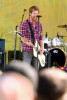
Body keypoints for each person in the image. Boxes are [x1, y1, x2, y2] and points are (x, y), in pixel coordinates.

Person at [20, 6, 44, 70]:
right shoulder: (24, 23)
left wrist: (42, 48)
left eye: (37, 14)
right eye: (34, 13)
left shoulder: (40, 24)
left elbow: (41, 38)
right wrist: (28, 43)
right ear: (30, 13)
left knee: (36, 70)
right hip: (27, 50)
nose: (35, 15)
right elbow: (22, 38)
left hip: (37, 50)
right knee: (26, 69)